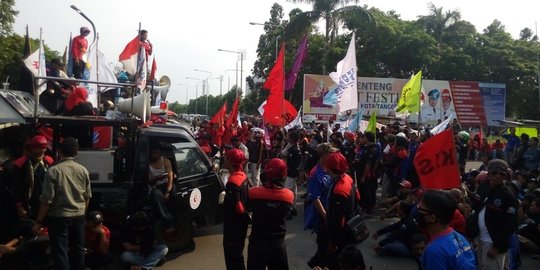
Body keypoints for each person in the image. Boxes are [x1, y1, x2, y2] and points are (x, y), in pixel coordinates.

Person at [35, 137, 92, 270]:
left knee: (60, 250)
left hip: (58, 217)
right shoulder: (83, 170)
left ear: (59, 152)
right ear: (77, 152)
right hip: (79, 215)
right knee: (78, 248)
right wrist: (82, 212)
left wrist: (39, 220)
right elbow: (87, 196)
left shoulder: (53, 171)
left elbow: (47, 200)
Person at [247, 158, 294, 270]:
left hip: (257, 242)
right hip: (277, 244)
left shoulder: (254, 192)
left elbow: (249, 208)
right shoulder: (288, 196)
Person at [473, 159, 519, 270]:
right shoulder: (483, 188)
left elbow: (509, 226)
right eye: (494, 173)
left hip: (493, 244)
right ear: (488, 174)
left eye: (501, 174)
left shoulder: (509, 197)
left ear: (505, 176)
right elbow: (477, 208)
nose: (497, 176)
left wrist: (496, 247)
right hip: (479, 240)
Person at [414, 190, 476, 270]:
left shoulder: (434, 251)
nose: (417, 212)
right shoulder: (457, 236)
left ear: (432, 218)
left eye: (420, 209)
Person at [305, 143, 337, 268]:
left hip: (329, 210)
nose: (333, 155)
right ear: (324, 155)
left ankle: (315, 262)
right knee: (325, 244)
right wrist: (325, 216)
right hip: (322, 216)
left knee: (326, 245)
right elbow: (315, 199)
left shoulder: (327, 169)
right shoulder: (315, 174)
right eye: (331, 153)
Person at [325, 152, 359, 270]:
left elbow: (337, 219)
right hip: (351, 223)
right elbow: (358, 197)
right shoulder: (347, 178)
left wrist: (332, 241)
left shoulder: (339, 190)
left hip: (343, 233)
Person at [11, 135, 54, 220]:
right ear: (32, 148)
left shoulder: (48, 161)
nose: (42, 150)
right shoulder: (20, 164)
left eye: (44, 148)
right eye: (39, 148)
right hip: (28, 204)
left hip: (46, 204)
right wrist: (19, 206)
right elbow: (15, 187)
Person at [222, 149, 250, 270]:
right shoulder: (242, 175)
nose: (224, 158)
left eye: (226, 157)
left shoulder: (232, 182)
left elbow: (238, 208)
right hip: (240, 226)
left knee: (233, 256)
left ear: (230, 161)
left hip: (234, 226)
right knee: (237, 254)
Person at [147, 143, 175, 227]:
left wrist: (168, 191)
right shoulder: (148, 165)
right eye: (153, 153)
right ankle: (168, 220)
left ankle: (176, 216)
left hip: (167, 185)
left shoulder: (165, 161)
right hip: (156, 187)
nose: (156, 155)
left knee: (175, 192)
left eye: (157, 153)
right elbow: (150, 182)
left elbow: (170, 177)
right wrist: (156, 178)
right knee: (156, 195)